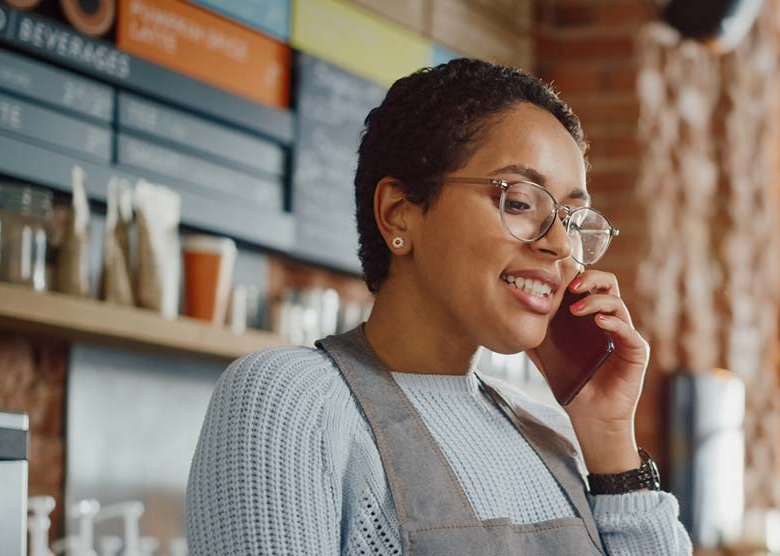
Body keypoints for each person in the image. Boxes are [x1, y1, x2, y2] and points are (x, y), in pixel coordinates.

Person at [186, 59, 692, 555]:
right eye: (519, 201)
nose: (561, 245)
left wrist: (608, 439)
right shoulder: (292, 401)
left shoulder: (554, 434)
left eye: (575, 219)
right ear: (399, 213)